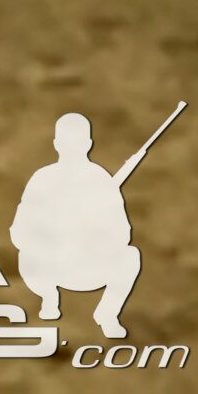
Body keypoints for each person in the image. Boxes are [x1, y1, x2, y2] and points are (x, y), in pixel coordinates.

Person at [12, 112, 149, 341]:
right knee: (26, 255)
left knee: (130, 256)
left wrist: (94, 234)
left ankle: (107, 314)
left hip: (89, 267)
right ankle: (49, 297)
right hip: (50, 267)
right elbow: (19, 231)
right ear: (56, 144)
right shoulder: (42, 178)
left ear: (88, 144)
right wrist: (50, 236)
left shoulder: (101, 180)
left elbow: (123, 233)